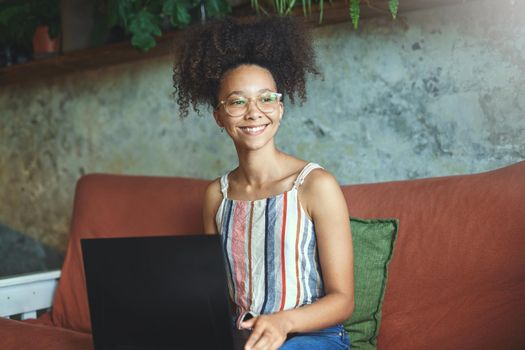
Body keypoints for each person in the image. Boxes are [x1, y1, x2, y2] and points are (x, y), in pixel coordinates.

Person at [172, 16, 354, 350]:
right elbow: (216, 295)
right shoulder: (216, 195)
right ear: (219, 115)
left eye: (266, 98)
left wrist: (281, 323)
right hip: (244, 338)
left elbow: (343, 300)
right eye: (237, 101)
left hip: (312, 337)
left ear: (280, 108)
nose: (254, 112)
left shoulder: (315, 185)